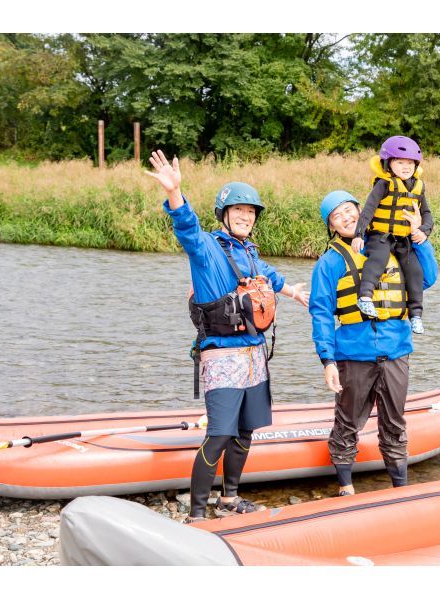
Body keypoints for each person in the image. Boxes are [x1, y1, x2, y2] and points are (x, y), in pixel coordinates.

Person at [145, 150, 309, 523]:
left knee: (246, 430)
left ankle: (230, 498)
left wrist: (292, 292)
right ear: (224, 214)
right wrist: (174, 192)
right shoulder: (206, 248)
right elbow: (186, 226)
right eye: (238, 210)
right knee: (219, 434)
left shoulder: (249, 253)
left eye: (250, 212)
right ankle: (197, 513)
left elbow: (269, 276)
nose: (245, 216)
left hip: (255, 355)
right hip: (222, 356)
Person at [310, 189, 439, 496]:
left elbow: (428, 278)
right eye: (337, 216)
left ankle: (399, 489)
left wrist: (419, 237)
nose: (346, 218)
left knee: (394, 423)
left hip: (395, 351)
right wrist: (328, 360)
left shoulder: (392, 245)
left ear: (361, 211)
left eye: (349, 210)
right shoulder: (330, 263)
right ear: (331, 226)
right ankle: (346, 486)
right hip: (354, 354)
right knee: (347, 422)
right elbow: (321, 312)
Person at [352, 136, 434, 335]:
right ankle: (365, 297)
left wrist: (424, 231)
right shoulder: (384, 184)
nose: (406, 167)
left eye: (410, 163)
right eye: (400, 162)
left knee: (415, 270)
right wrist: (359, 234)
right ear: (388, 164)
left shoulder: (419, 187)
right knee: (378, 258)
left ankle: (416, 315)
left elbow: (427, 214)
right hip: (381, 235)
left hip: (403, 240)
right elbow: (368, 210)